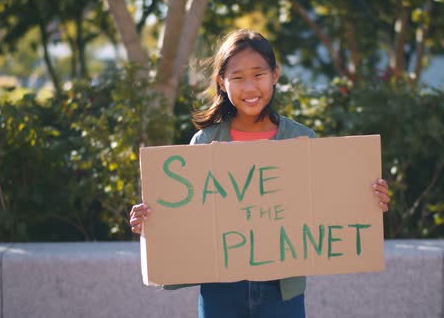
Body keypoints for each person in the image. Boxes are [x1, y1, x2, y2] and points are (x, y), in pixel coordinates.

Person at [129, 29, 391, 318]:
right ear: (221, 82)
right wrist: (153, 221)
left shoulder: (302, 139)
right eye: (238, 78)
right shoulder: (203, 142)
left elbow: (326, 205)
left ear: (275, 75)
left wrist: (367, 199)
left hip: (282, 292)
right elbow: (187, 214)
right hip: (220, 291)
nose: (250, 87)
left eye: (258, 75)